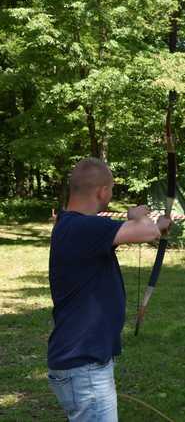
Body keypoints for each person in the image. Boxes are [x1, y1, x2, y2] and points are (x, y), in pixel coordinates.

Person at [47, 157, 171, 422]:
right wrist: (139, 216)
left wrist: (159, 225)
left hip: (83, 363)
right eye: (112, 189)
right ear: (103, 191)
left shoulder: (75, 227)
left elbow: (148, 232)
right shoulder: (82, 227)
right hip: (84, 365)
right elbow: (145, 232)